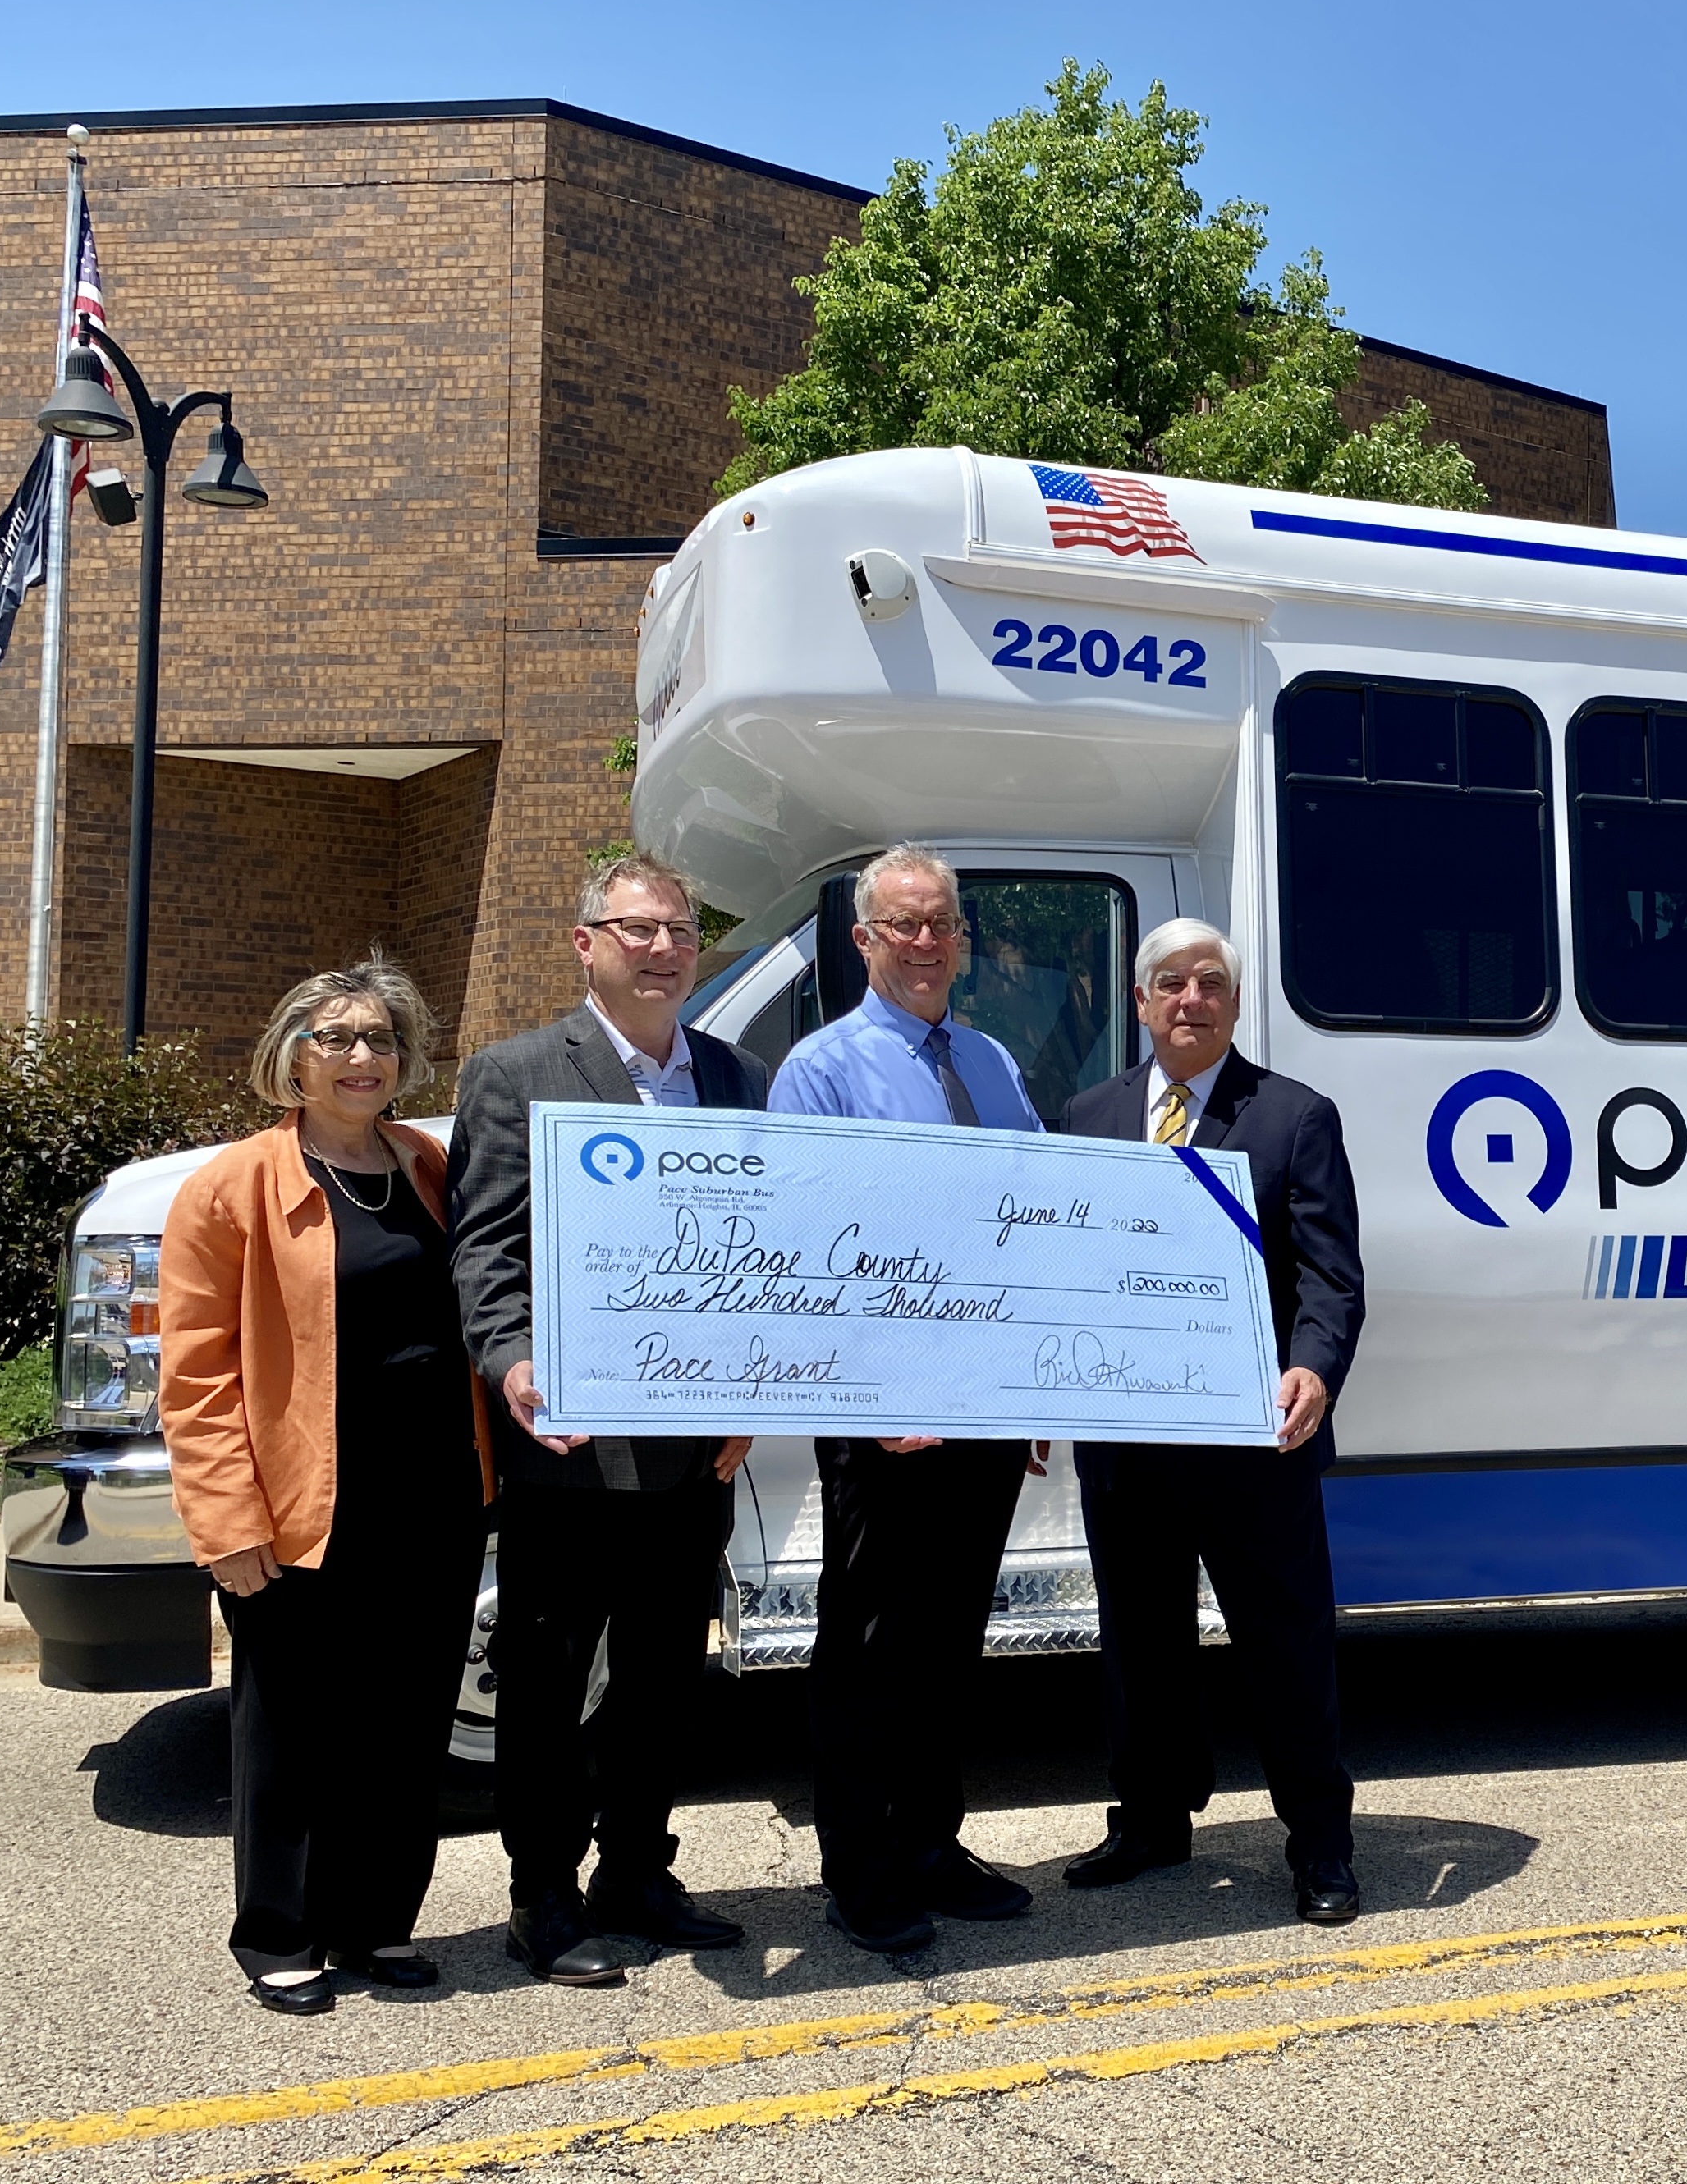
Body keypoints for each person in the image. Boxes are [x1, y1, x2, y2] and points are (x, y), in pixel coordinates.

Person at [447, 853, 770, 1985]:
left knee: (661, 1685)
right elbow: (485, 1245)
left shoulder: (735, 1077)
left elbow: (761, 1259)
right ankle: (542, 1898)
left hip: (697, 1455)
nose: (662, 947)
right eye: (636, 928)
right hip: (570, 1451)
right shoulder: (516, 1072)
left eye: (679, 928)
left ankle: (636, 1869)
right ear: (585, 943)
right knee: (544, 1691)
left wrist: (755, 1400)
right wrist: (511, 1359)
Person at [158, 959, 496, 2013]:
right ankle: (278, 1929)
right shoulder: (233, 1184)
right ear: (292, 1055)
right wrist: (225, 1519)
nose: (362, 1057)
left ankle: (376, 1922)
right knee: (293, 1727)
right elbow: (196, 1369)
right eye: (337, 1037)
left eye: (381, 1040)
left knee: (403, 1726)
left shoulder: (428, 1163)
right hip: (302, 1506)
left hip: (437, 1494)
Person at [1059, 919, 1368, 1924]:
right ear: (1139, 1002)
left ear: (1233, 1004)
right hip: (1127, 1441)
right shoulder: (1086, 1116)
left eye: (1209, 984)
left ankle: (1320, 1841)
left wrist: (1311, 1369)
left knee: (1284, 1645)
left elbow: (1330, 1275)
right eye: (1168, 983)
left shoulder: (1292, 1116)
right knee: (1139, 1640)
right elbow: (1057, 1277)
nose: (1189, 999)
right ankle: (1151, 1818)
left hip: (1252, 1442)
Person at [768, 843, 1046, 1954]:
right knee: (869, 1647)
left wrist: (1030, 1388)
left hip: (981, 1403)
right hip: (884, 1413)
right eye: (904, 925)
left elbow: (1025, 1221)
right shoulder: (821, 1071)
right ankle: (862, 1866)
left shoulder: (991, 1062)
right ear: (863, 940)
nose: (926, 943)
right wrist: (863, 1394)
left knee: (949, 1640)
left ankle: (931, 1842)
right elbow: (804, 1246)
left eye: (941, 925)